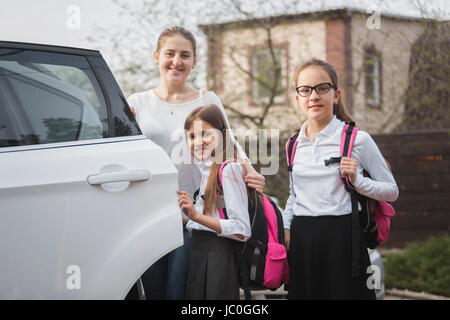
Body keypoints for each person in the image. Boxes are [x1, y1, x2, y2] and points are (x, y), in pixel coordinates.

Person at [127, 26, 264, 300]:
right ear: (156, 56)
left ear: (194, 61)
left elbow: (229, 141)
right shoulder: (137, 103)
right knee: (152, 292)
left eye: (184, 55)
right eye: (170, 53)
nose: (177, 61)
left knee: (178, 291)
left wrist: (250, 172)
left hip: (190, 213)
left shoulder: (207, 99)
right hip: (149, 212)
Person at [282, 58, 399, 300]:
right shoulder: (292, 144)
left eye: (322, 88)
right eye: (305, 90)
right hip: (302, 237)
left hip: (343, 238)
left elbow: (391, 191)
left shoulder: (358, 139)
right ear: (298, 99)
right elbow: (294, 194)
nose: (313, 96)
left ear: (336, 95)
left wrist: (358, 180)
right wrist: (285, 228)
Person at [177, 104, 251, 300]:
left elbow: (242, 230)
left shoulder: (228, 169)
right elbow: (211, 217)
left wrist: (196, 216)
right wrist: (187, 219)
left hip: (218, 255)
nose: (198, 141)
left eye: (206, 134)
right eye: (192, 136)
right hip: (200, 252)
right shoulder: (206, 170)